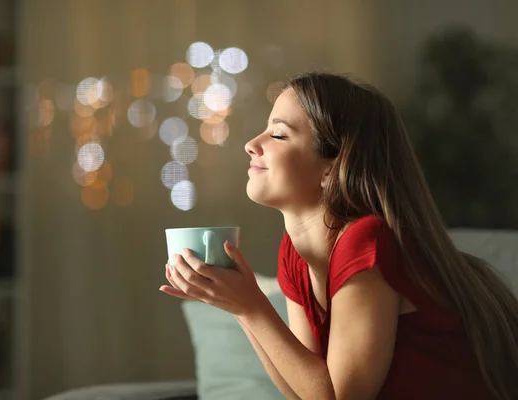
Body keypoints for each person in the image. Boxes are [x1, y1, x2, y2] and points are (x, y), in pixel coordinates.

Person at [159, 72, 518, 399]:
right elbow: (305, 392)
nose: (252, 144)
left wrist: (252, 307)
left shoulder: (366, 239)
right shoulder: (296, 254)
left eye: (279, 134)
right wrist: (237, 306)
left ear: (332, 166)